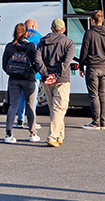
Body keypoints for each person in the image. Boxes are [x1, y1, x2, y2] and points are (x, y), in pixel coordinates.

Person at [35, 19, 75, 147]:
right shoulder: (69, 43)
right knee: (59, 108)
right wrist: (56, 75)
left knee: (55, 109)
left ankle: (60, 136)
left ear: (52, 28)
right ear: (63, 29)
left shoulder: (42, 42)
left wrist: (46, 74)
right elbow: (66, 62)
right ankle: (52, 137)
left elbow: (38, 60)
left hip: (47, 80)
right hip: (62, 80)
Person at [2, 23, 39, 143]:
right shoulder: (32, 47)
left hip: (14, 80)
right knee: (30, 105)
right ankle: (32, 133)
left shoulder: (9, 46)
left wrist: (14, 73)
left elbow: (4, 65)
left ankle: (8, 134)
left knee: (13, 106)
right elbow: (37, 63)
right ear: (26, 33)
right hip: (29, 79)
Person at [79, 10, 105, 130]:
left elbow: (84, 51)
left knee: (93, 95)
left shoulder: (89, 34)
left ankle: (95, 122)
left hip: (93, 67)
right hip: (104, 68)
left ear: (92, 21)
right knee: (103, 95)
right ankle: (103, 123)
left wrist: (81, 66)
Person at [16, 19, 42, 130]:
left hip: (20, 73)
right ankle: (32, 122)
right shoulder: (38, 38)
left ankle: (20, 120)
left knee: (21, 98)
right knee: (32, 99)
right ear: (33, 26)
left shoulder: (19, 38)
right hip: (33, 74)